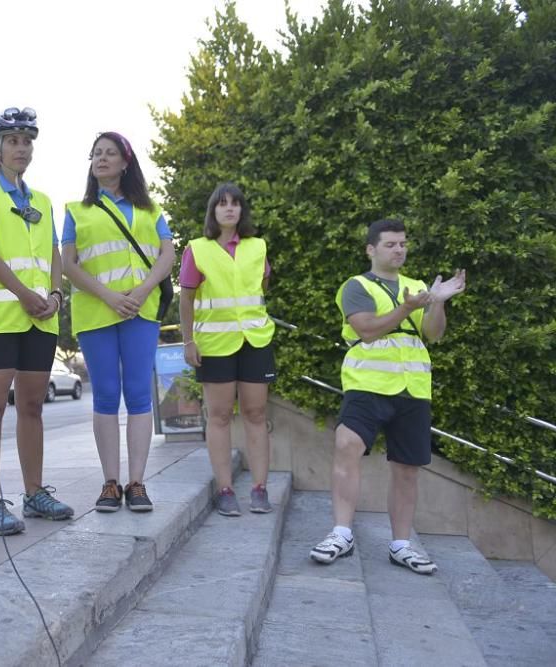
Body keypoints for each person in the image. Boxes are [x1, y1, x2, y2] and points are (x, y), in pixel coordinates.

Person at [309, 218, 466, 575]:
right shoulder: (356, 286)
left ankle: (400, 545)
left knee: (407, 468)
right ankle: (341, 533)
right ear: (371, 249)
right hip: (366, 385)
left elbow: (433, 334)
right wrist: (408, 308)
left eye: (403, 244)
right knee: (347, 444)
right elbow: (366, 330)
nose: (399, 250)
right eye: (391, 244)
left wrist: (438, 303)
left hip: (413, 389)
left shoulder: (416, 286)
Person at [0, 107, 74, 536]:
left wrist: (57, 295)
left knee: (31, 407)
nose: (21, 148)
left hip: (40, 320)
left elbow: (54, 255)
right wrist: (24, 294)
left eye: (27, 141)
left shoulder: (42, 200)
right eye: (12, 141)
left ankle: (35, 493)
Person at [62, 131, 175, 513]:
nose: (102, 159)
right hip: (96, 313)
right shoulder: (76, 211)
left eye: (110, 153)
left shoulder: (150, 209)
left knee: (139, 394)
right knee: (107, 395)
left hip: (140, 311)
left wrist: (142, 291)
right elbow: (68, 265)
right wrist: (110, 297)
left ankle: (137, 482)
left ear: (126, 163)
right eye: (96, 153)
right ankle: (110, 483)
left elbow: (167, 255)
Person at [179, 183, 276, 516]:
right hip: (215, 345)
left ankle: (260, 489)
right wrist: (188, 340)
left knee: (256, 414)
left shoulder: (257, 247)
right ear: (213, 211)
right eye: (222, 204)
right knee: (219, 416)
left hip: (255, 341)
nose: (229, 209)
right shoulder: (197, 249)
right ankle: (225, 490)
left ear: (241, 210)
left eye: (235, 204)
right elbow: (187, 297)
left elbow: (261, 286)